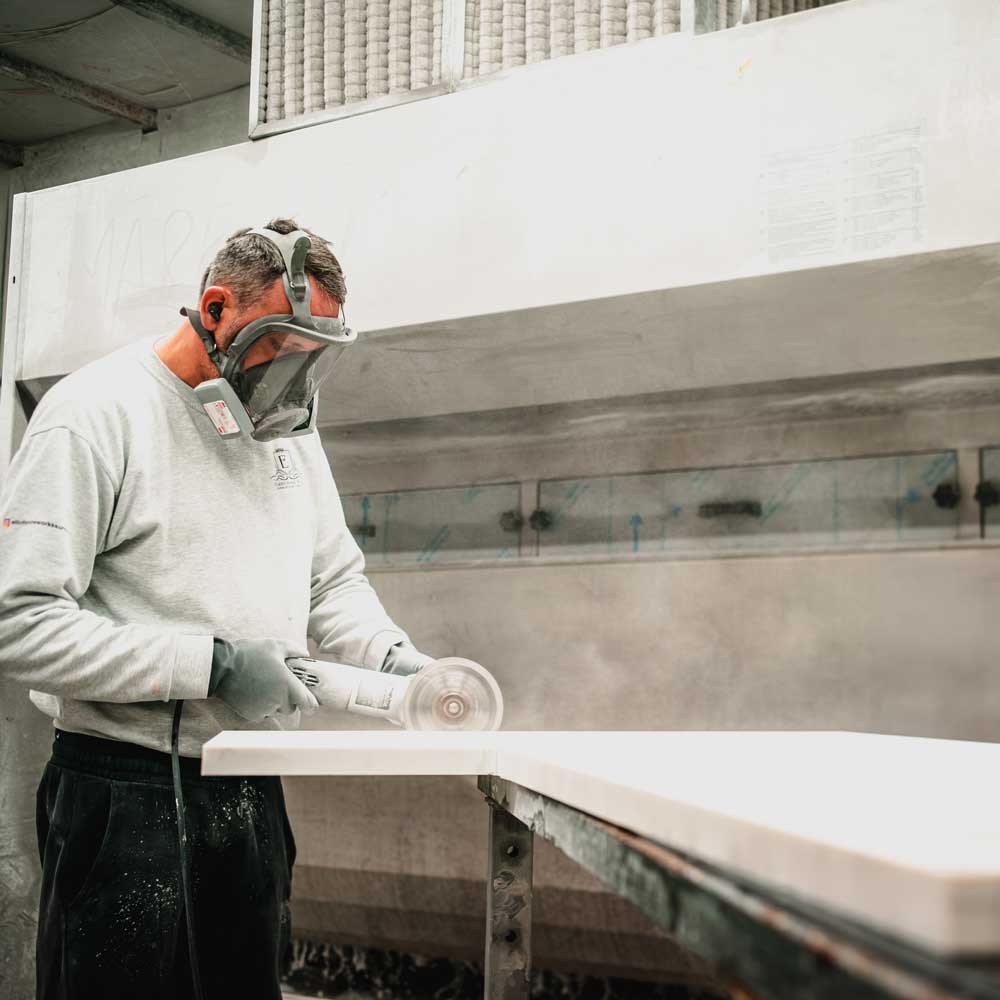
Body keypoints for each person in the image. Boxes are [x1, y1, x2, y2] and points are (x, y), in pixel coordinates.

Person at [0, 218, 434, 1000]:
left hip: (249, 789)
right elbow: (20, 624)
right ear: (216, 308)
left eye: (317, 357)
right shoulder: (96, 415)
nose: (297, 384)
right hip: (120, 794)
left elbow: (332, 583)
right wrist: (214, 664)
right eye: (284, 349)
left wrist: (396, 660)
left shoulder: (291, 437)